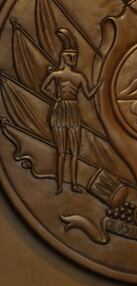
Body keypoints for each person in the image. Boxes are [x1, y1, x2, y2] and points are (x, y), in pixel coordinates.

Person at [40, 28, 98, 194]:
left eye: (75, 56)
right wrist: (54, 99)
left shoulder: (79, 77)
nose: (73, 59)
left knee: (74, 152)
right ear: (63, 57)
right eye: (70, 56)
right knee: (61, 152)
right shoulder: (57, 75)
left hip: (73, 111)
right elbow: (43, 88)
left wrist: (98, 87)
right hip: (60, 110)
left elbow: (87, 95)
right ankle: (59, 185)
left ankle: (73, 184)